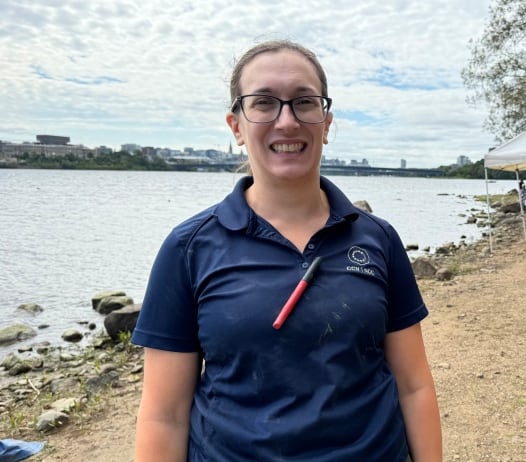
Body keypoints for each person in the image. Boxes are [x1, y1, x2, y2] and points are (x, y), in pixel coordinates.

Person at [132, 40, 442, 462]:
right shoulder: (188, 248)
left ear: (326, 122)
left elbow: (414, 385)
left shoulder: (379, 240)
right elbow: (164, 415)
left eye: (304, 102)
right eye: (263, 103)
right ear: (236, 126)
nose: (287, 121)